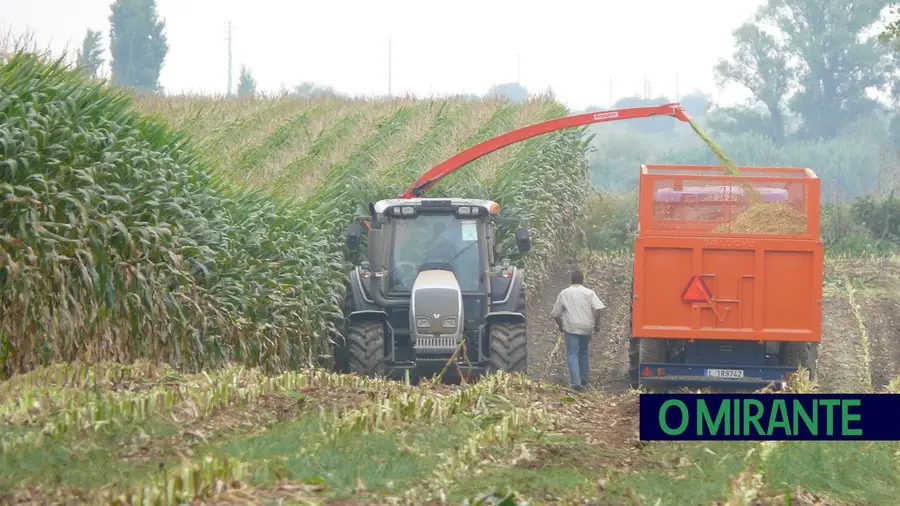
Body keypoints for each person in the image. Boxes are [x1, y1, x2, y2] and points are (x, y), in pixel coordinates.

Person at [550, 269, 605, 391]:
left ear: (571, 280)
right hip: (587, 327)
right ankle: (584, 379)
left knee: (572, 354)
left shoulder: (564, 293)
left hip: (571, 327)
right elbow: (598, 309)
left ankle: (576, 382)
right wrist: (597, 324)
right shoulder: (589, 293)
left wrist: (560, 326)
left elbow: (555, 314)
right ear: (582, 280)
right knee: (584, 351)